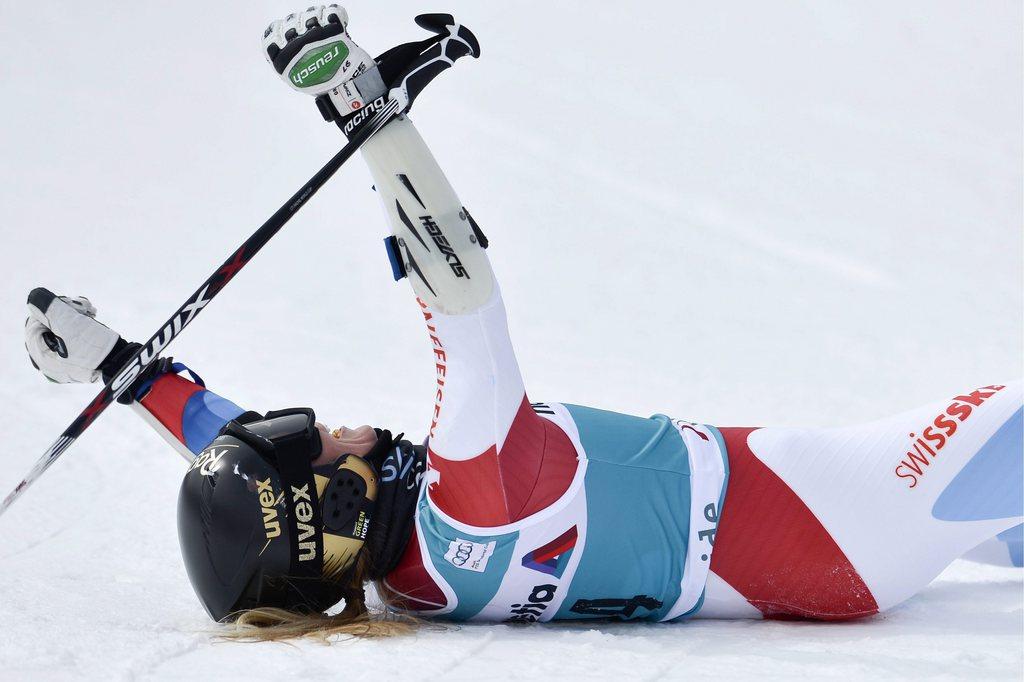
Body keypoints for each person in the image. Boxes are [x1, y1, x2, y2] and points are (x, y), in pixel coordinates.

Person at [23, 6, 1022, 641]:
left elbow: (228, 454)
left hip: (810, 546)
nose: (349, 428)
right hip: (841, 511)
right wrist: (371, 120)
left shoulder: (415, 569)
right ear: (334, 506)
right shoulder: (472, 492)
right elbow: (460, 294)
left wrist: (119, 366)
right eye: (329, 445)